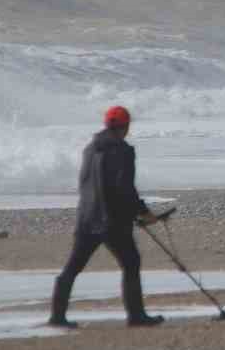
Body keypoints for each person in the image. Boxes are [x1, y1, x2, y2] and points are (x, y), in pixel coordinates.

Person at [48, 105, 165, 328]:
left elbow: (86, 185)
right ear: (126, 126)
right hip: (112, 222)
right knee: (131, 262)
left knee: (73, 267)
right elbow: (124, 188)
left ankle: (57, 316)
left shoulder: (90, 149)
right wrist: (142, 212)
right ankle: (136, 316)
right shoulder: (123, 151)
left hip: (86, 218)